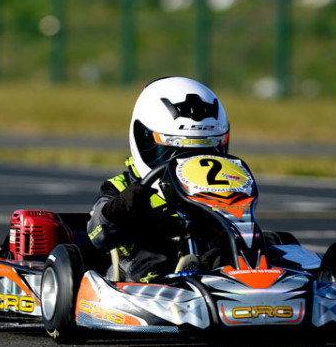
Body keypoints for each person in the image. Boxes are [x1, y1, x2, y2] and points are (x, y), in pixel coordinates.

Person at [87, 77, 230, 282]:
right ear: (144, 140)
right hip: (141, 267)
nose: (188, 165)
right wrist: (120, 209)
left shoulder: (218, 188)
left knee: (267, 245)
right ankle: (174, 281)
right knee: (155, 258)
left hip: (207, 254)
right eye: (176, 152)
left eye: (204, 152)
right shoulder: (121, 187)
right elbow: (97, 235)